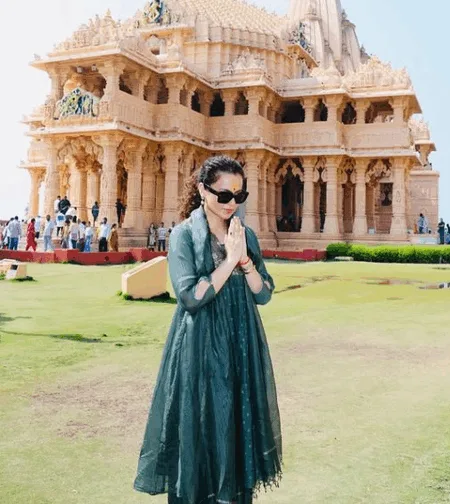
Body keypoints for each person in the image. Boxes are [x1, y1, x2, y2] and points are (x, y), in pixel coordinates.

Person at [134, 156, 282, 503]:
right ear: (203, 190)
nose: (231, 204)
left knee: (235, 423)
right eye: (224, 195)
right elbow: (189, 297)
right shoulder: (184, 235)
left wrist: (244, 261)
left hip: (241, 341)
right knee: (202, 424)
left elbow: (263, 294)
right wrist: (229, 260)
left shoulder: (244, 235)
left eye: (239, 196)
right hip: (200, 344)